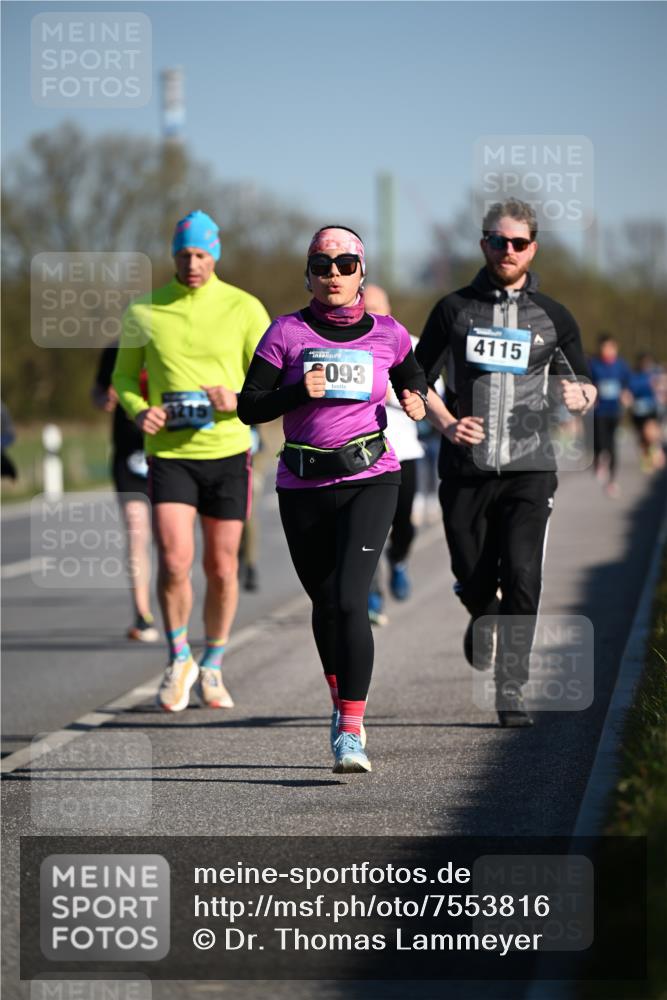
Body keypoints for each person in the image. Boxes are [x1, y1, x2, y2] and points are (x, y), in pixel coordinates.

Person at [237, 226, 427, 772]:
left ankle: (350, 728)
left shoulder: (389, 333)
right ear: (309, 274)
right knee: (325, 606)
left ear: (362, 271)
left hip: (371, 474)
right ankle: (339, 703)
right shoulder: (285, 333)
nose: (334, 275)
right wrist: (299, 391)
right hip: (303, 483)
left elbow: (413, 382)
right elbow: (250, 407)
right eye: (323, 266)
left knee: (349, 599)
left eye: (345, 264)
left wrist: (415, 401)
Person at [415, 198, 596, 727]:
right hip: (465, 467)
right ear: (483, 244)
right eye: (498, 240)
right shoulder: (453, 310)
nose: (507, 250)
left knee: (522, 576)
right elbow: (416, 379)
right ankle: (483, 617)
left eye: (518, 243)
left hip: (530, 466)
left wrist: (581, 396)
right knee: (471, 574)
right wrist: (447, 424)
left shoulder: (555, 316)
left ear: (532, 247)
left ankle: (510, 686)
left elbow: (583, 383)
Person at [113, 210, 271, 712]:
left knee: (222, 566)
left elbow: (272, 380)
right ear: (172, 255)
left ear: (216, 254)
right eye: (184, 254)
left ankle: (214, 665)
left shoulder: (245, 308)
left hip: (227, 452)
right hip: (170, 456)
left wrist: (238, 399)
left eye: (202, 254)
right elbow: (121, 380)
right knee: (175, 559)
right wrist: (141, 411)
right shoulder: (144, 310)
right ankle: (178, 655)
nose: (193, 263)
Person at [363, 284, 424, 626]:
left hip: (406, 451)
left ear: (389, 309)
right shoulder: (352, 346)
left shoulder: (409, 343)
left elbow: (431, 392)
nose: (371, 314)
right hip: (366, 454)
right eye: (365, 307)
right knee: (369, 530)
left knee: (404, 526)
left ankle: (398, 560)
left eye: (377, 308)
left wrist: (401, 394)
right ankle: (372, 595)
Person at [92, 345, 158, 641]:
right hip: (129, 454)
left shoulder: (175, 340)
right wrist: (105, 399)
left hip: (172, 452)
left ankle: (175, 605)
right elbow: (97, 392)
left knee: (169, 538)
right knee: (136, 531)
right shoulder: (115, 351)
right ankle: (142, 614)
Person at [588, 333, 631, 497]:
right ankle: (599, 458)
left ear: (615, 347)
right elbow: (588, 381)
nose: (607, 350)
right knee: (599, 439)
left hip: (614, 409)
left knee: (612, 444)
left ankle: (612, 481)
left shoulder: (621, 365)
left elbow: (628, 383)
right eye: (604, 347)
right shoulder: (594, 364)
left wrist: (627, 393)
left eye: (610, 347)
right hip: (599, 410)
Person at [628, 352, 666, 474]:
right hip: (637, 412)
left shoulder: (655, 376)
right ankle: (646, 457)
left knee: (650, 433)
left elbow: (662, 390)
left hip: (651, 410)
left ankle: (656, 450)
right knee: (642, 438)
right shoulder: (634, 377)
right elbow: (630, 392)